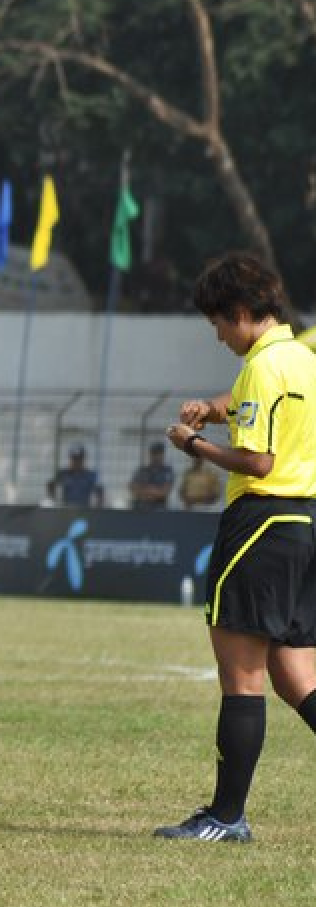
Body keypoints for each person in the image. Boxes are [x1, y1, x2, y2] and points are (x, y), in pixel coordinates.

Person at [157, 252, 316, 843]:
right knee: (298, 678)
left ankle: (227, 818)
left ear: (245, 312)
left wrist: (194, 444)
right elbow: (269, 413)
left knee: (242, 678)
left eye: (220, 323)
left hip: (259, 523)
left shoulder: (261, 368)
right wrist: (216, 406)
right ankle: (227, 816)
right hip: (304, 524)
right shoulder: (302, 358)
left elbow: (258, 460)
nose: (219, 335)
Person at [129, 441, 175, 510]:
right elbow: (133, 487)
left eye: (158, 454)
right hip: (141, 506)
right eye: (154, 453)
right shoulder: (143, 470)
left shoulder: (167, 471)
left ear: (162, 455)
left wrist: (150, 492)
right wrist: (148, 492)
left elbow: (165, 491)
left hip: (159, 506)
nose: (156, 456)